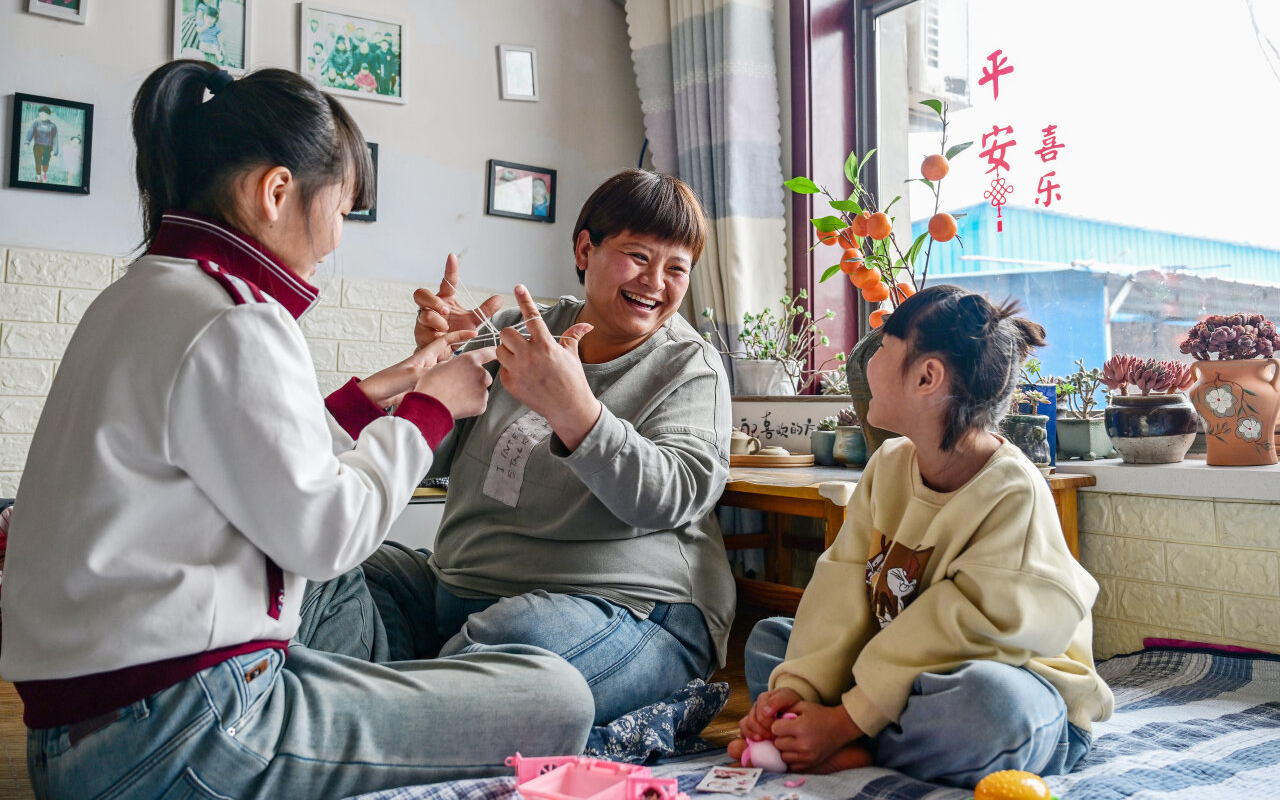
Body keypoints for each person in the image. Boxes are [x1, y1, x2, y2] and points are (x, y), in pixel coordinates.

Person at [0, 60, 592, 800]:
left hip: (78, 740)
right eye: (342, 208)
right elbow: (324, 534)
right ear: (277, 191)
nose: (338, 238)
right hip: (190, 734)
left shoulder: (141, 295)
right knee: (557, 693)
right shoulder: (239, 316)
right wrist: (430, 407)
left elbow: (248, 451)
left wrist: (400, 381)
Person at [301, 169, 737, 727]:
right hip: (454, 591)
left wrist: (575, 410)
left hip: (630, 611)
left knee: (515, 637)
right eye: (638, 256)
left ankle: (382, 701)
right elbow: (428, 459)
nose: (655, 281)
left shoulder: (688, 368)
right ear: (586, 247)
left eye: (677, 268)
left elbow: (671, 497)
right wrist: (428, 378)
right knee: (322, 557)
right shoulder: (511, 329)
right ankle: (415, 701)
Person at [730, 285, 1114, 787]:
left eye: (883, 349)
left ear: (927, 376)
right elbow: (841, 585)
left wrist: (845, 719)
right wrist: (798, 691)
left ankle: (854, 744)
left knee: (990, 708)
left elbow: (959, 629)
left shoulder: (1011, 490)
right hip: (901, 674)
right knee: (773, 642)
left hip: (1018, 685)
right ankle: (837, 736)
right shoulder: (889, 465)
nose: (866, 363)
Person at [24, 106, 59, 184]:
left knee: (46, 162)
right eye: (42, 114)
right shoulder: (36, 123)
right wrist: (27, 143)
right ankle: (38, 177)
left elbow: (55, 138)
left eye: (46, 114)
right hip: (37, 146)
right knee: (38, 162)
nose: (43, 115)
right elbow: (30, 133)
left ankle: (44, 174)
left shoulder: (53, 126)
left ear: (49, 115)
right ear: (39, 114)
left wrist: (55, 150)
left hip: (48, 147)